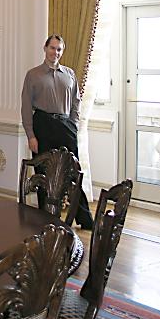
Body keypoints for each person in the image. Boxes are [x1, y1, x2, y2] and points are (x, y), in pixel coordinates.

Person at [21, 34, 94, 230]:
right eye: (52, 48)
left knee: (73, 173)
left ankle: (85, 219)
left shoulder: (69, 74)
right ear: (45, 49)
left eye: (59, 49)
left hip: (65, 126)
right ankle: (45, 218)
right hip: (42, 126)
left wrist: (73, 124)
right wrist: (31, 135)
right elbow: (26, 106)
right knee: (43, 175)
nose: (55, 52)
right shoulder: (33, 75)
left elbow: (76, 102)